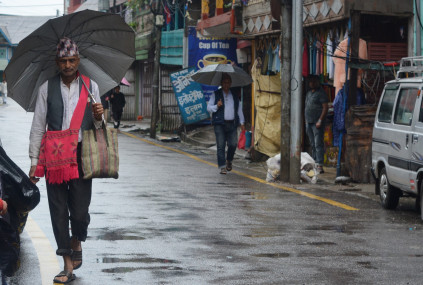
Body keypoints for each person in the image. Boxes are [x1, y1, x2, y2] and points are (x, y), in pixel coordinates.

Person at [28, 38, 104, 284]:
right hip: (54, 157)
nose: (68, 65)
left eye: (72, 60)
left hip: (82, 154)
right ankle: (67, 264)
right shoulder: (45, 88)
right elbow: (38, 127)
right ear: (57, 62)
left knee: (80, 212)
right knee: (58, 210)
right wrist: (33, 162)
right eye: (63, 61)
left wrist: (99, 116)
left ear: (78, 61)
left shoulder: (91, 86)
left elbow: (98, 127)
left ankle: (76, 240)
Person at [207, 73, 245, 174]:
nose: (226, 84)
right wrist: (216, 106)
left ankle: (229, 160)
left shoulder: (234, 95)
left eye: (228, 82)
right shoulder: (216, 94)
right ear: (221, 83)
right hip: (219, 124)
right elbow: (208, 108)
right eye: (224, 82)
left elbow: (239, 109)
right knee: (221, 145)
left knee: (233, 144)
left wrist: (242, 121)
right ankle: (222, 166)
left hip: (232, 123)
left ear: (231, 83)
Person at [305, 75, 329, 174]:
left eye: (314, 82)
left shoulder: (321, 93)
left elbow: (325, 107)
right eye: (311, 82)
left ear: (317, 82)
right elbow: (306, 106)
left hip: (317, 123)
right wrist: (306, 120)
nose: (312, 83)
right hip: (309, 122)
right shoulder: (309, 93)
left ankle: (320, 165)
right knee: (312, 144)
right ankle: (314, 162)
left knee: (318, 144)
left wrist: (320, 120)